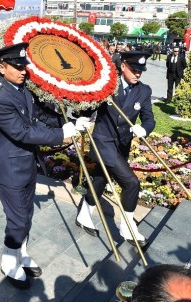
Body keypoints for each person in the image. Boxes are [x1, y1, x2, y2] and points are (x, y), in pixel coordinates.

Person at [0, 42, 89, 289]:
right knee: (18, 218)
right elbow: (22, 131)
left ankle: (20, 253)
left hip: (26, 163)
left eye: (24, 66)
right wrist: (61, 135)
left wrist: (70, 122)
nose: (23, 71)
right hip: (9, 168)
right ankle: (8, 261)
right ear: (1, 67)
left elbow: (40, 115)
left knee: (26, 215)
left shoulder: (21, 88)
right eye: (17, 66)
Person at [75, 51, 156, 247]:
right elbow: (87, 106)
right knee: (131, 183)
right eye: (134, 70)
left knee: (101, 178)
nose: (138, 74)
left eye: (140, 71)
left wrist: (143, 129)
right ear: (123, 67)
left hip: (122, 145)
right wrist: (81, 116)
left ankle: (84, 214)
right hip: (103, 142)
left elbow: (149, 118)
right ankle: (127, 227)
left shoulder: (143, 91)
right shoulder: (108, 85)